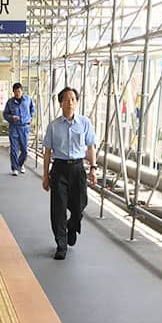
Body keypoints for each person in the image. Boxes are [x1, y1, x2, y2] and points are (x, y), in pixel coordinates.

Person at [42, 87, 97, 260]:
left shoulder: (84, 123)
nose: (70, 103)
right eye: (66, 99)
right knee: (58, 208)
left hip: (78, 169)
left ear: (77, 102)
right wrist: (45, 176)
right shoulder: (53, 126)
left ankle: (72, 226)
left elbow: (90, 147)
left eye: (73, 99)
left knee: (80, 205)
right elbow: (48, 152)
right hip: (59, 169)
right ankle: (61, 244)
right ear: (60, 103)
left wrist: (93, 169)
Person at [3, 82, 35, 176]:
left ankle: (20, 164)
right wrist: (11, 117)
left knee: (24, 150)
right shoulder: (10, 102)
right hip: (14, 127)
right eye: (16, 92)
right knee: (14, 149)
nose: (18, 93)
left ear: (22, 91)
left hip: (25, 127)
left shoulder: (28, 99)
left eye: (19, 91)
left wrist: (29, 118)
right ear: (13, 92)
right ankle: (14, 168)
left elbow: (32, 109)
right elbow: (5, 114)